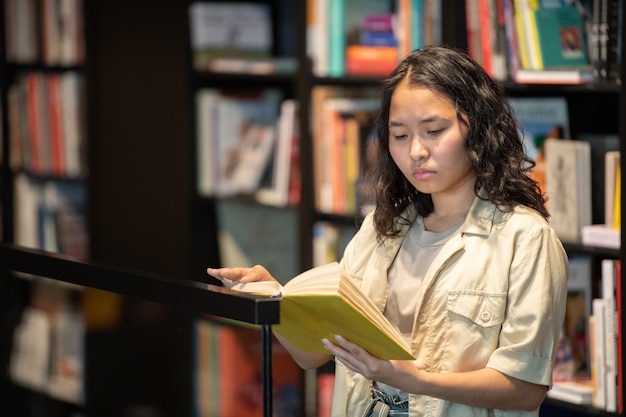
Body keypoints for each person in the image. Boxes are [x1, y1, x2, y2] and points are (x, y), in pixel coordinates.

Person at [207, 45, 568, 417]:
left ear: (477, 128)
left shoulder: (525, 238)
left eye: (434, 130)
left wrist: (416, 381)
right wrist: (274, 300)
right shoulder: (383, 228)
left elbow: (526, 389)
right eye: (399, 135)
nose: (416, 151)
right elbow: (311, 356)